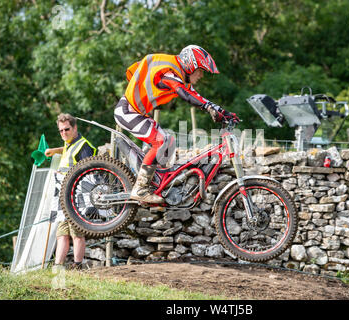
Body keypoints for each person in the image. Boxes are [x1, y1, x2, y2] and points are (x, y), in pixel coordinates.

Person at [114, 45, 239, 204]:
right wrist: (207, 108)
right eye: (200, 70)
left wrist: (223, 112)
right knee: (160, 141)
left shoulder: (178, 75)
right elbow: (182, 93)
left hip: (137, 113)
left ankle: (157, 187)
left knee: (169, 141)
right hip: (128, 111)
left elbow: (196, 96)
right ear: (190, 64)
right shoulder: (168, 72)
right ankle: (141, 188)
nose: (201, 75)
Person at [45, 113, 96, 270]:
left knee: (76, 233)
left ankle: (77, 266)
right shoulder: (69, 144)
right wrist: (55, 150)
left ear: (75, 128)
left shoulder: (84, 146)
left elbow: (89, 172)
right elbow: (68, 149)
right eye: (60, 131)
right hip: (62, 197)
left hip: (76, 197)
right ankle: (57, 267)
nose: (63, 133)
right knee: (61, 233)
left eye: (67, 129)